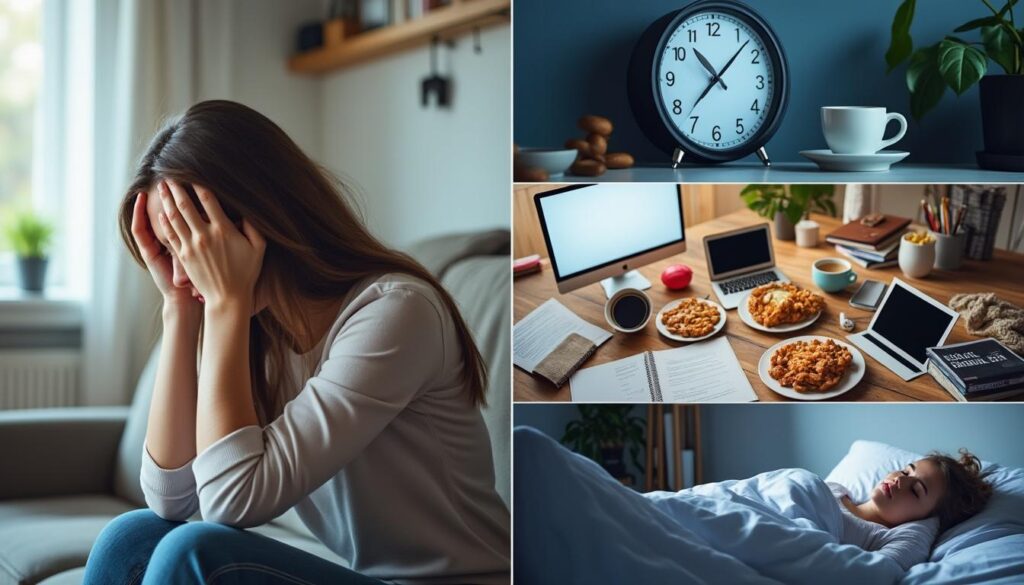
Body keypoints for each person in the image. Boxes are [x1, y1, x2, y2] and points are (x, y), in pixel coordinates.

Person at [83, 100, 510, 584]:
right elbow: (170, 498)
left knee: (195, 552)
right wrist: (178, 309)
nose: (182, 273)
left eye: (193, 243)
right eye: (168, 250)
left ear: (258, 220)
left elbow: (229, 503)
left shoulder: (396, 314)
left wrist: (224, 304)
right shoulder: (255, 325)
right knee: (133, 537)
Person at [828, 450, 993, 571]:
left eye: (916, 490)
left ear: (926, 519)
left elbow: (875, 574)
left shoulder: (899, 540)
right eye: (906, 471)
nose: (900, 479)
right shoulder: (834, 489)